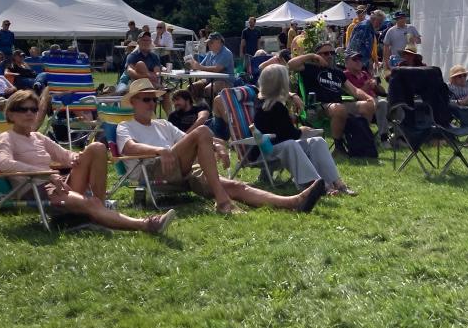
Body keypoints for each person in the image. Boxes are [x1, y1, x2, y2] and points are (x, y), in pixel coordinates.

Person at [118, 78, 326, 214]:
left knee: (236, 186)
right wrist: (160, 150)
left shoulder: (162, 124)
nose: (152, 104)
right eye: (146, 99)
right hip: (154, 170)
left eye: (154, 100)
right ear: (134, 102)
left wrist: (217, 146)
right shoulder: (125, 126)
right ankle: (223, 202)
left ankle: (293, 202)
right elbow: (128, 148)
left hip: (183, 171)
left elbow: (189, 140)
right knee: (203, 131)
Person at [0, 89, 174, 233]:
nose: (29, 113)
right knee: (92, 203)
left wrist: (77, 157)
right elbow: (5, 164)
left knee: (97, 147)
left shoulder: (38, 137)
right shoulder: (6, 137)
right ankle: (146, 224)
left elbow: (65, 156)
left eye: (33, 110)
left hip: (58, 184)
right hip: (35, 188)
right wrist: (48, 175)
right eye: (23, 109)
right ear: (10, 114)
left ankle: (98, 210)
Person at [254, 64, 356, 196]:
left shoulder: (265, 101)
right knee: (290, 144)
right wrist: (302, 130)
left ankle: (336, 181)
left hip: (275, 148)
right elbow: (288, 135)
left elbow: (283, 133)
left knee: (317, 141)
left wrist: (291, 96)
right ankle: (316, 185)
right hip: (263, 151)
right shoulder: (274, 106)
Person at [288, 42, 376, 152]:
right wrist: (311, 56)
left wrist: (369, 98)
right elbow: (290, 65)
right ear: (318, 55)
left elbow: (355, 90)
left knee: (367, 106)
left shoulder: (337, 72)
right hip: (317, 107)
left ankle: (361, 140)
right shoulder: (308, 68)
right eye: (325, 53)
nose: (329, 55)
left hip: (338, 105)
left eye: (332, 53)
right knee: (338, 108)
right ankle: (338, 147)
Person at [342, 50, 389, 144]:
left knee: (396, 104)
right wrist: (366, 87)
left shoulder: (365, 74)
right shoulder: (344, 76)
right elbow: (352, 96)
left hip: (376, 103)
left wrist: (376, 85)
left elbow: (383, 93)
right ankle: (383, 138)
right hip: (359, 105)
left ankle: (400, 137)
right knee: (382, 103)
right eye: (355, 59)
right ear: (346, 63)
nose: (359, 62)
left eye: (360, 59)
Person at [186, 32, 236, 103]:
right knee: (191, 88)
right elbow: (201, 66)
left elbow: (217, 69)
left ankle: (210, 111)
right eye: (208, 42)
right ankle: (201, 107)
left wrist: (200, 67)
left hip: (225, 81)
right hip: (210, 80)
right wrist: (192, 65)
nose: (208, 44)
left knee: (208, 89)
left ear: (219, 42)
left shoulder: (226, 53)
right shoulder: (210, 53)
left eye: (211, 42)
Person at [115, 31, 162, 95]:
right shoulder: (133, 55)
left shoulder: (154, 56)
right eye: (143, 40)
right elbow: (130, 71)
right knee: (140, 64)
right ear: (138, 42)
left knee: (165, 94)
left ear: (151, 42)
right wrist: (146, 76)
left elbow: (157, 72)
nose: (146, 42)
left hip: (148, 83)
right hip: (129, 81)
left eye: (148, 40)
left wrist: (153, 76)